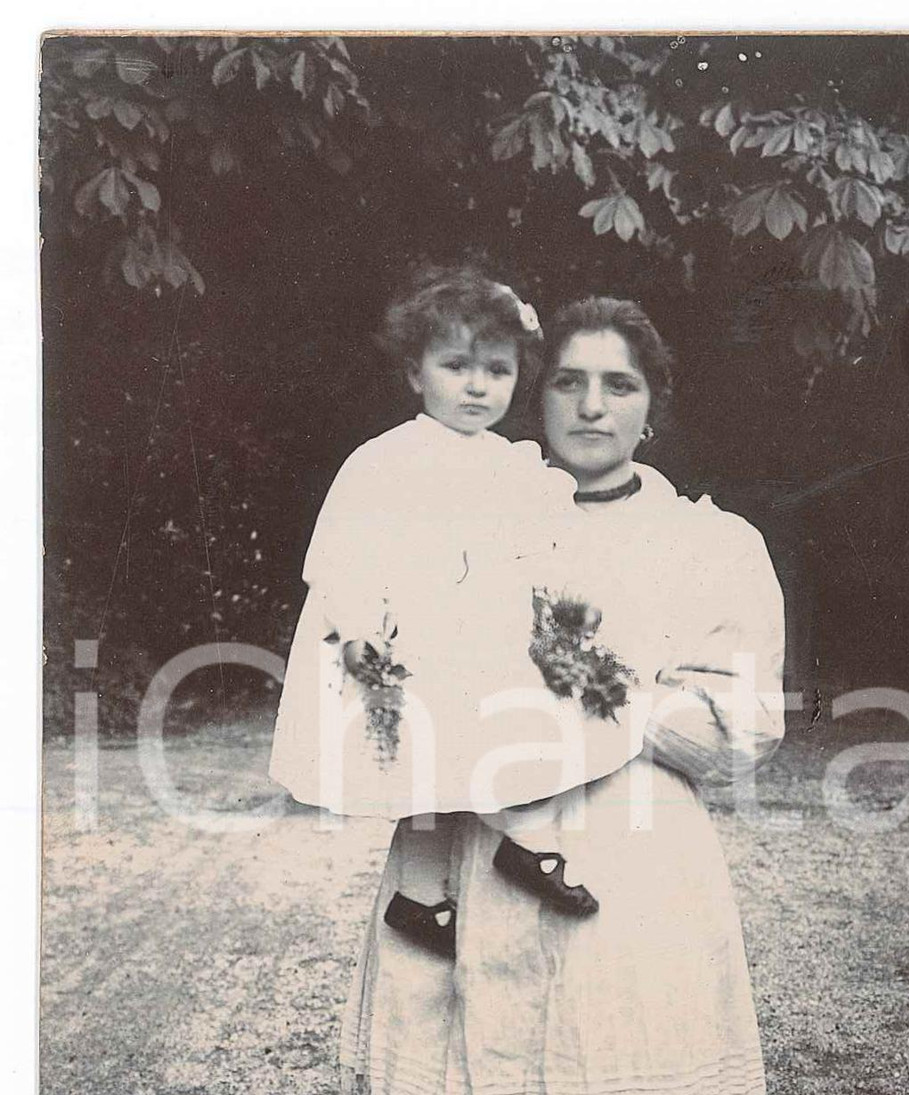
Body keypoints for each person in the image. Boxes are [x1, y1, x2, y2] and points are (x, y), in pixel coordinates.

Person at [300, 295, 795, 1095]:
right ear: (534, 393)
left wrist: (594, 686)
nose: (587, 405)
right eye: (567, 381)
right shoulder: (475, 507)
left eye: (616, 385)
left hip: (631, 869)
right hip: (470, 847)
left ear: (651, 403)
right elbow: (381, 641)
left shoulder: (712, 543)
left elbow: (743, 730)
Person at [270, 266, 658, 952]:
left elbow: (542, 547)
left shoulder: (515, 465)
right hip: (415, 641)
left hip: (487, 637)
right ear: (416, 375)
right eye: (456, 367)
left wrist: (562, 609)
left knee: (501, 739)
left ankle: (481, 866)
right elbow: (346, 550)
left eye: (498, 371)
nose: (478, 386)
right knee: (426, 774)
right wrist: (359, 628)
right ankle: (460, 877)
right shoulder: (385, 461)